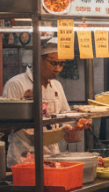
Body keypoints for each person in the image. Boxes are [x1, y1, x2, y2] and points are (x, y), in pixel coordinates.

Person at [2, 38, 90, 166]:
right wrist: (23, 106)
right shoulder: (16, 84)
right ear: (39, 60)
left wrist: (77, 124)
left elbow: (65, 118)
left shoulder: (56, 85)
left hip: (52, 157)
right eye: (54, 63)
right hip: (23, 158)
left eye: (62, 64)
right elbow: (5, 127)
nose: (58, 69)